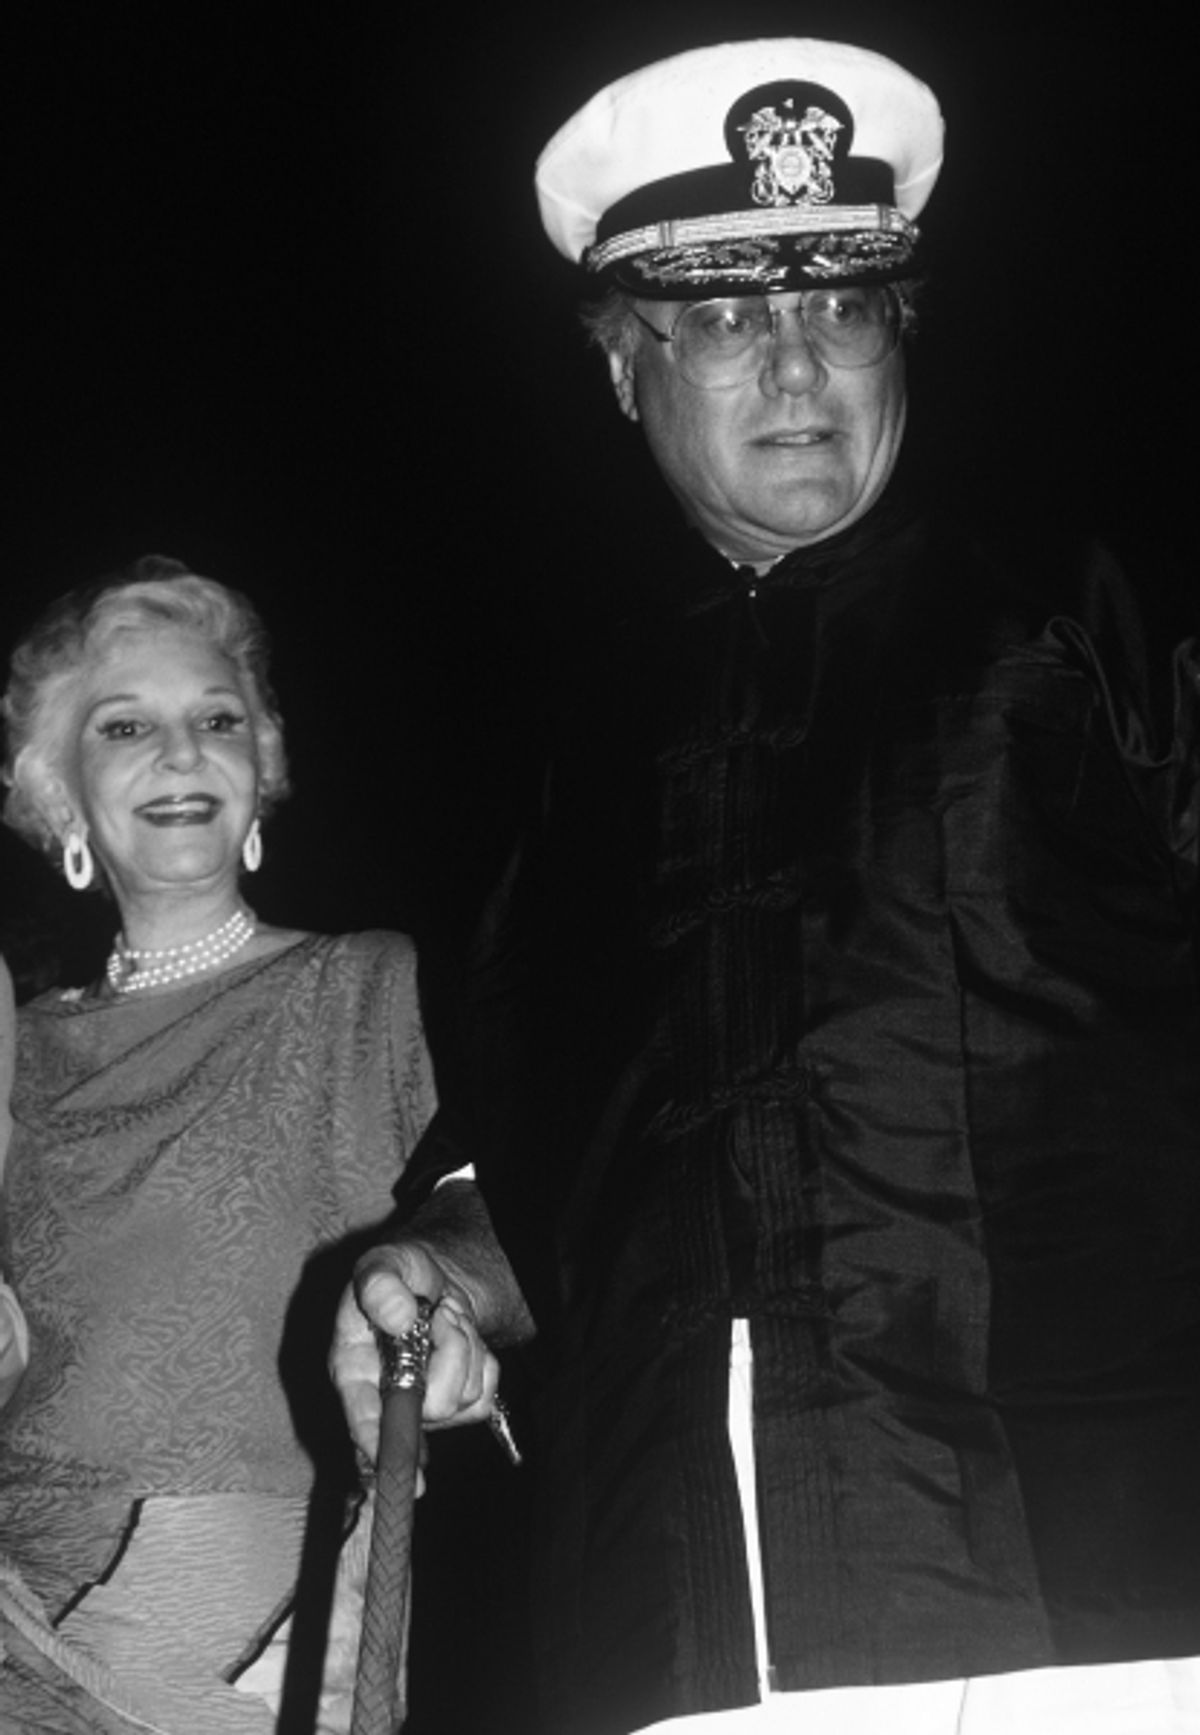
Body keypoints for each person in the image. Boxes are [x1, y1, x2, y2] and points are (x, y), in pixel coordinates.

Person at [332, 36, 1200, 1735]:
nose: (799, 364)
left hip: (1110, 1595)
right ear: (624, 366)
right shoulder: (555, 762)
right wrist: (432, 1268)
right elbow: (543, 1172)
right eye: (728, 317)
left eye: (844, 307)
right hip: (684, 1620)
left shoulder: (1096, 623)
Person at [0, 557, 498, 1734]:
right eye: (127, 726)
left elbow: (502, 1221)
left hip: (245, 1624)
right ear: (60, 791)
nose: (181, 754)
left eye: (217, 719)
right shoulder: (18, 1042)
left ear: (261, 765)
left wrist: (464, 1340)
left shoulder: (366, 988)